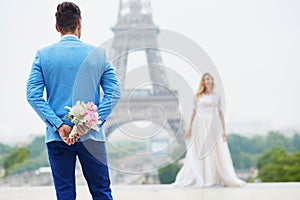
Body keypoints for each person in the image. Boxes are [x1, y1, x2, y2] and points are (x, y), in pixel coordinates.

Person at [26, 2, 121, 199]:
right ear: (80, 24)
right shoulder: (99, 55)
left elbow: (33, 95)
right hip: (92, 138)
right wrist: (89, 123)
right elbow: (114, 93)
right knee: (102, 192)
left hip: (58, 137)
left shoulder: (43, 56)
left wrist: (59, 125)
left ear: (56, 27)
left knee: (65, 194)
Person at [173, 72, 245, 187]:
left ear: (212, 81)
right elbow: (193, 113)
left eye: (209, 79)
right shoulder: (198, 96)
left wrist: (224, 130)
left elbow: (221, 114)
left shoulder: (217, 96)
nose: (207, 81)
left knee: (213, 151)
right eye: (205, 79)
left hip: (213, 126)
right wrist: (190, 128)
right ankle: (203, 176)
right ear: (202, 82)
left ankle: (212, 176)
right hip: (200, 125)